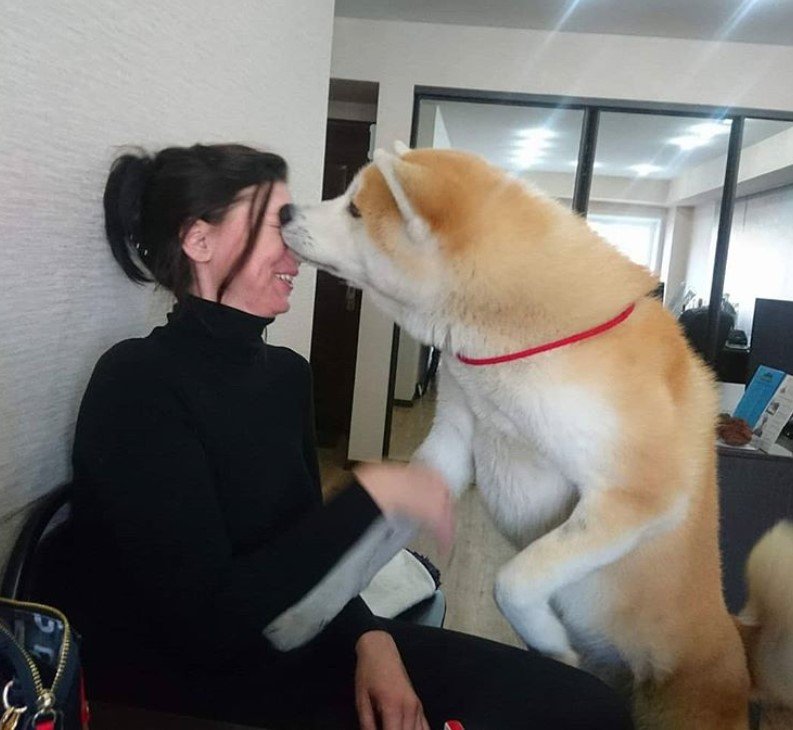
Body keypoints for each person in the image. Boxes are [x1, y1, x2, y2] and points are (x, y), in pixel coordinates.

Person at [56, 143, 633, 729]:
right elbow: (208, 626)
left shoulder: (285, 375)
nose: (299, 247)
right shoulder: (137, 384)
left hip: (305, 641)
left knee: (590, 708)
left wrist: (371, 640)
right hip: (198, 687)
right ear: (199, 241)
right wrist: (371, 497)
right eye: (277, 225)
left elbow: (306, 551)